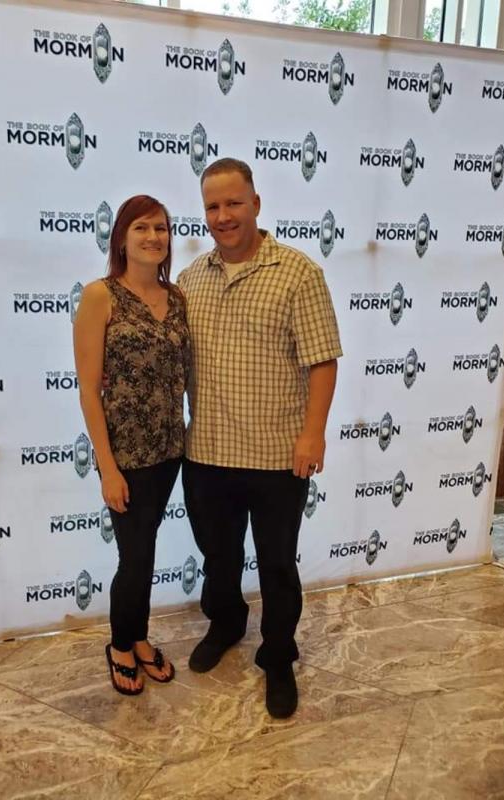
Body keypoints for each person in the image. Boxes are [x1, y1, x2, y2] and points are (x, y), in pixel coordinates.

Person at [177, 159, 342, 718]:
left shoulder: (298, 273)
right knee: (218, 558)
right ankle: (226, 624)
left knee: (276, 564)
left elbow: (322, 361)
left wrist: (313, 434)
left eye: (233, 203)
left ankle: (277, 655)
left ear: (256, 203)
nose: (223, 216)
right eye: (212, 206)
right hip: (207, 453)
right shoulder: (190, 279)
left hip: (277, 456)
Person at [73, 195, 189, 695]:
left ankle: (138, 636)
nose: (153, 237)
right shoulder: (100, 296)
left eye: (160, 228)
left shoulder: (178, 298)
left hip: (171, 450)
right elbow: (88, 389)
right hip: (125, 454)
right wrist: (108, 467)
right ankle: (122, 644)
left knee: (146, 548)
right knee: (135, 555)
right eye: (141, 227)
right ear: (121, 238)